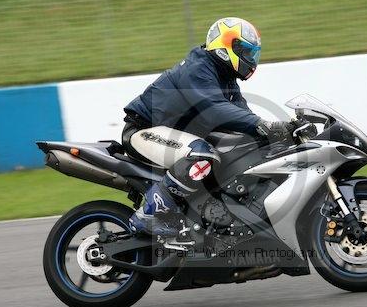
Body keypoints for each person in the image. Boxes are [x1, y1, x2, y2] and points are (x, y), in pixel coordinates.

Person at [122, 17, 295, 237]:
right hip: (144, 131)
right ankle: (149, 214)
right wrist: (264, 125)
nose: (251, 59)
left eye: (253, 54)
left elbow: (242, 117)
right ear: (227, 47)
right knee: (202, 154)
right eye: (246, 52)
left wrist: (280, 133)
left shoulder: (226, 79)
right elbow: (214, 109)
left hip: (173, 136)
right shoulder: (198, 68)